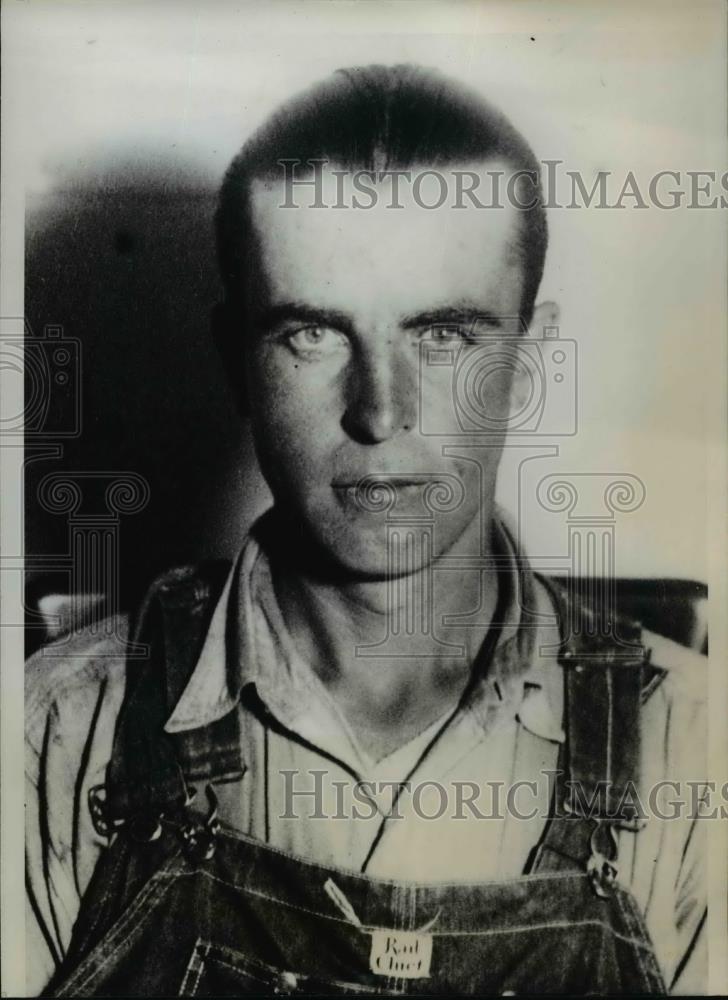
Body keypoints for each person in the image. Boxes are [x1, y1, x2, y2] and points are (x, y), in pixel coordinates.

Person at [25, 64, 706, 996]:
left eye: (445, 335)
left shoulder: (697, 754)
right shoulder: (51, 734)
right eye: (313, 335)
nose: (380, 414)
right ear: (239, 365)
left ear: (533, 361)